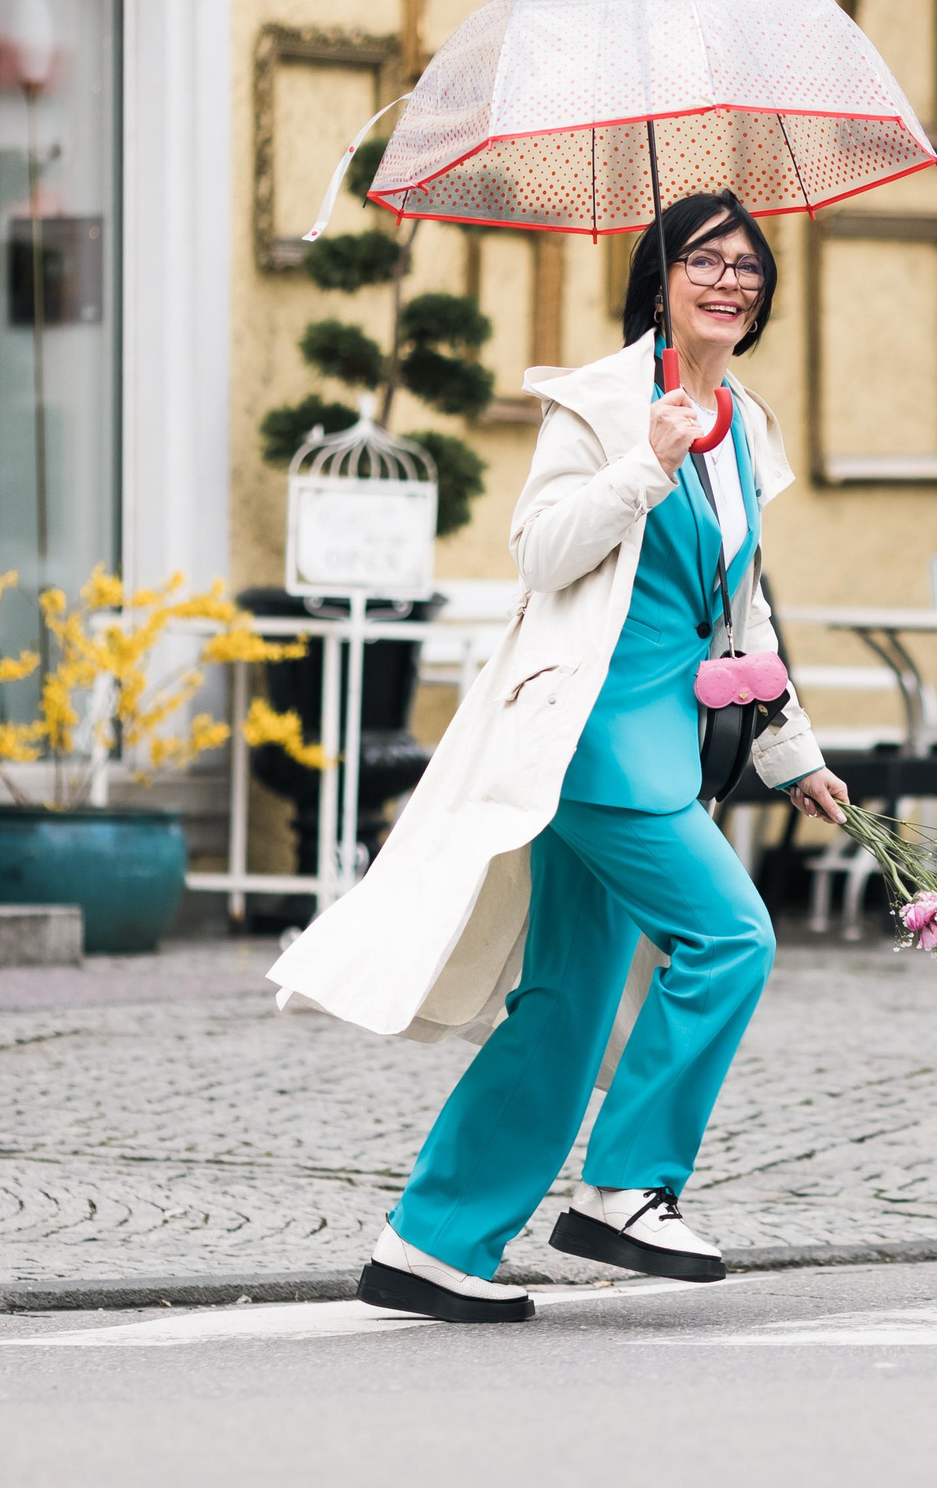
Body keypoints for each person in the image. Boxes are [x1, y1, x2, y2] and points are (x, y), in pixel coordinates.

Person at [269, 190, 850, 1324]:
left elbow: (743, 614)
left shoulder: (743, 421)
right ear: (659, 275)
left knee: (567, 1004)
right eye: (704, 260)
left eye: (748, 266)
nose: (730, 281)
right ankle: (627, 1182)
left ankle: (432, 1242)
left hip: (661, 740)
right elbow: (538, 555)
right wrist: (642, 461)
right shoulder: (598, 402)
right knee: (731, 934)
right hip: (587, 734)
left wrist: (792, 752)